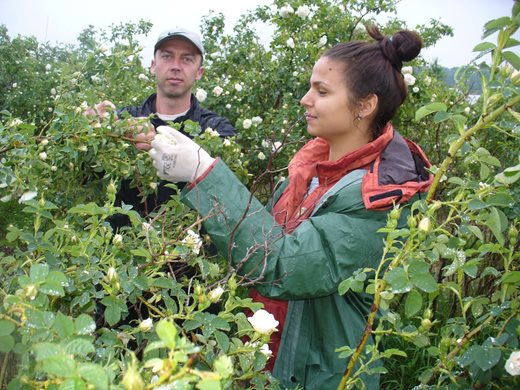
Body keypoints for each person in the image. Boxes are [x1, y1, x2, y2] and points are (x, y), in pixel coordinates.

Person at [148, 25, 433, 389]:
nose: (305, 99)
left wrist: (204, 172)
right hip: (268, 360)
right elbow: (257, 245)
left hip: (318, 375)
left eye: (322, 91)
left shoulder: (379, 197)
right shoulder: (309, 172)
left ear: (365, 105)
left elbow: (281, 266)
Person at [91, 26, 236, 227]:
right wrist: (89, 131)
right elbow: (86, 176)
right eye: (167, 56)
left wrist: (156, 142)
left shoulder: (217, 129)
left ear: (199, 72)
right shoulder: (122, 120)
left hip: (193, 254)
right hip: (121, 253)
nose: (176, 66)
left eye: (187, 59)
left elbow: (227, 192)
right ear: (153, 65)